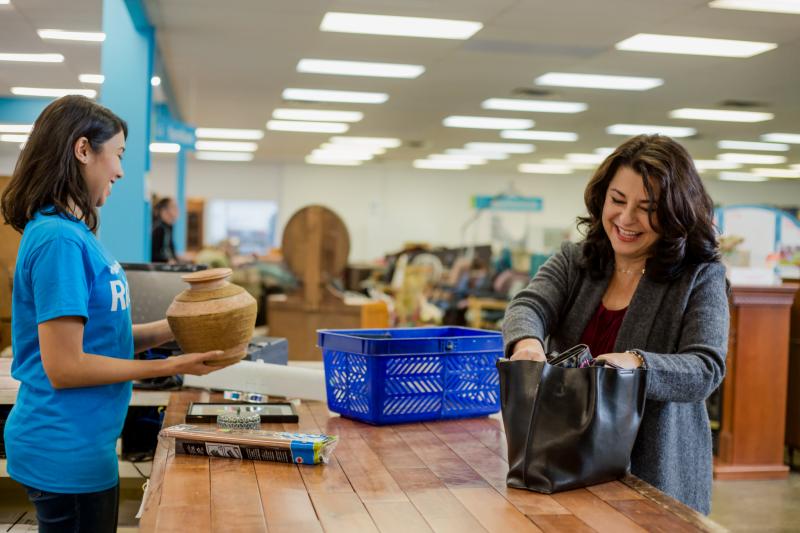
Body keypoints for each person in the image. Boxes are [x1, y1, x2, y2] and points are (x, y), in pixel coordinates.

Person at [0, 95, 228, 533]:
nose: (121, 171)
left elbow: (106, 337)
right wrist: (174, 364)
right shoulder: (58, 241)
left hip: (86, 443)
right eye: (118, 155)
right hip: (65, 448)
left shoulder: (74, 233)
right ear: (83, 150)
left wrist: (179, 329)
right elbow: (66, 366)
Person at [502, 134, 728, 514]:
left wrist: (638, 364)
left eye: (647, 207)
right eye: (617, 201)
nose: (625, 219)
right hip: (563, 466)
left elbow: (705, 369)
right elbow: (529, 304)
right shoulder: (577, 260)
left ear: (675, 211)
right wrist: (526, 343)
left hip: (653, 476)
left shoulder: (699, 277)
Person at [151, 196, 178, 263]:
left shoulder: (169, 227)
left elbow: (169, 250)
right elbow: (154, 254)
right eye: (174, 207)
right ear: (164, 210)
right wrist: (167, 260)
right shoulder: (158, 228)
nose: (177, 210)